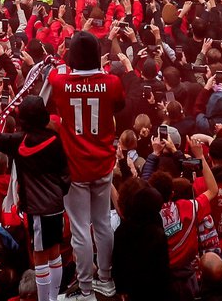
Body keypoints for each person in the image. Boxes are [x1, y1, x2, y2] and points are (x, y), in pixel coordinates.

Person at [0, 95, 68, 301]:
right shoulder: (55, 139)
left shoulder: (19, 141)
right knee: (55, 253)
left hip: (38, 210)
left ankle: (47, 300)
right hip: (56, 205)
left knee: (40, 257)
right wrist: (59, 193)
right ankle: (54, 297)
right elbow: (65, 173)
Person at [48, 30, 124, 298]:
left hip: (74, 167)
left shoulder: (58, 82)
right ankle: (105, 277)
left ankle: (85, 287)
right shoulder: (112, 81)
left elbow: (48, 100)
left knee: (80, 228)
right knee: (102, 222)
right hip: (102, 163)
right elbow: (119, 106)